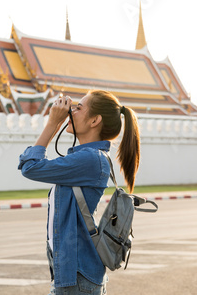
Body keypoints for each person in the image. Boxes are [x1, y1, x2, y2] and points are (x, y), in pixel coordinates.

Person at [18, 90, 141, 294]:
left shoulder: (91, 159)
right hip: (75, 276)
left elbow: (30, 167)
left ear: (95, 121)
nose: (70, 111)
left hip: (77, 278)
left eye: (78, 108)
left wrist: (52, 125)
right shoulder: (88, 157)